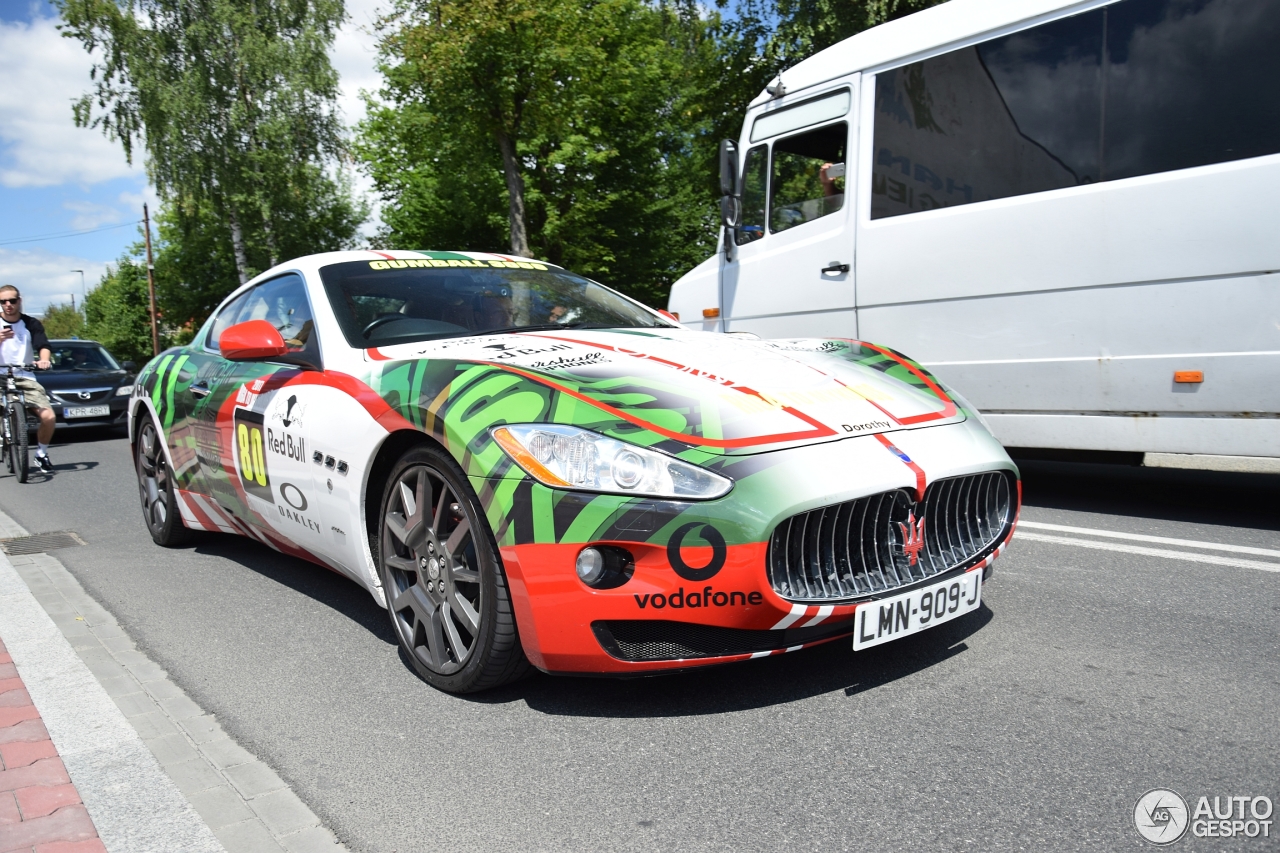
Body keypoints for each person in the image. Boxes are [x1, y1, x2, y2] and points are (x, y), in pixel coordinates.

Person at [0, 286, 55, 472]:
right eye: (3, 302)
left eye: (12, 301)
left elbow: (43, 345)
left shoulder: (31, 323)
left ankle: (41, 454)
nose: (8, 305)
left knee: (48, 416)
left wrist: (44, 360)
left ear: (19, 301)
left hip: (24, 375)